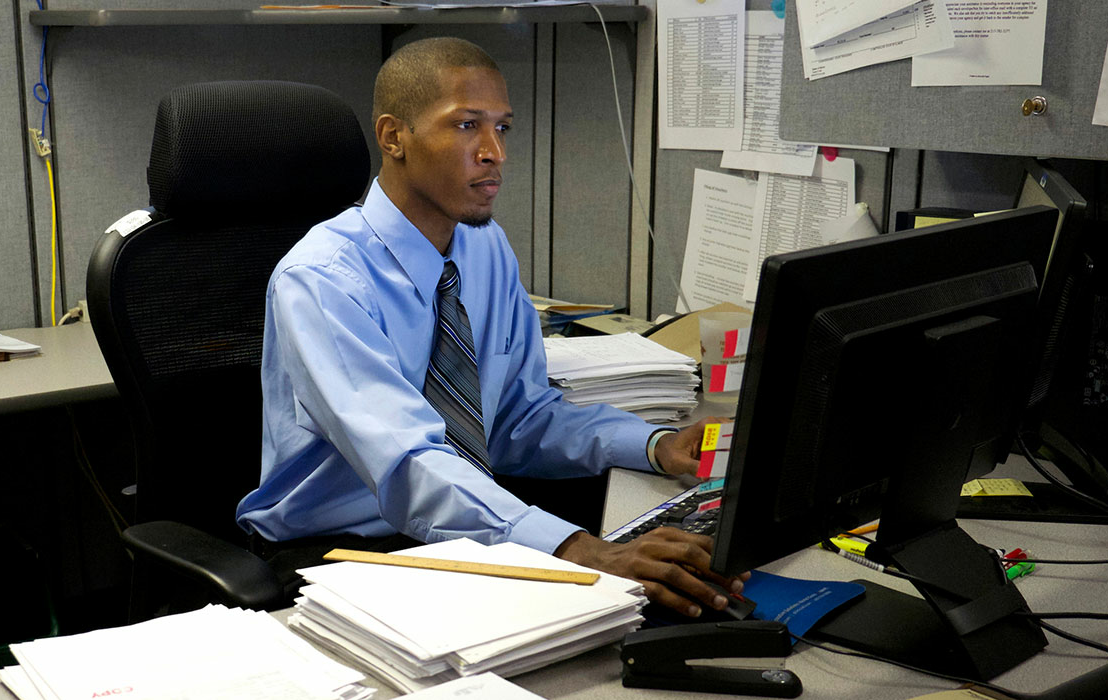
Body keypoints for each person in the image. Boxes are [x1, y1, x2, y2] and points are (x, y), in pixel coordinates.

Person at [236, 37, 746, 617]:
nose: (493, 153)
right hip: (337, 556)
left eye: (502, 128)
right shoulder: (322, 280)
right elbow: (407, 463)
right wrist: (579, 550)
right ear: (393, 136)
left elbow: (517, 419)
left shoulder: (484, 249)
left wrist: (653, 445)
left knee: (661, 610)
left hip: (460, 525)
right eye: (465, 126)